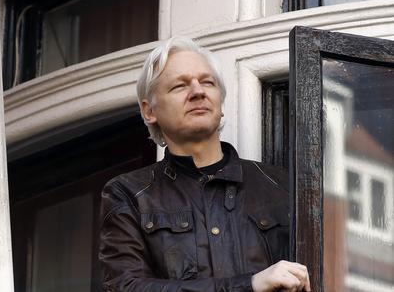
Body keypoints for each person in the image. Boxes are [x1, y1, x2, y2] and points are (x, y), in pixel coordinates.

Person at [99, 37, 310, 292]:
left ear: (220, 104)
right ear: (149, 111)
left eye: (207, 82)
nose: (198, 91)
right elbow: (126, 287)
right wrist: (250, 285)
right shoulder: (129, 194)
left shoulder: (283, 185)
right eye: (179, 86)